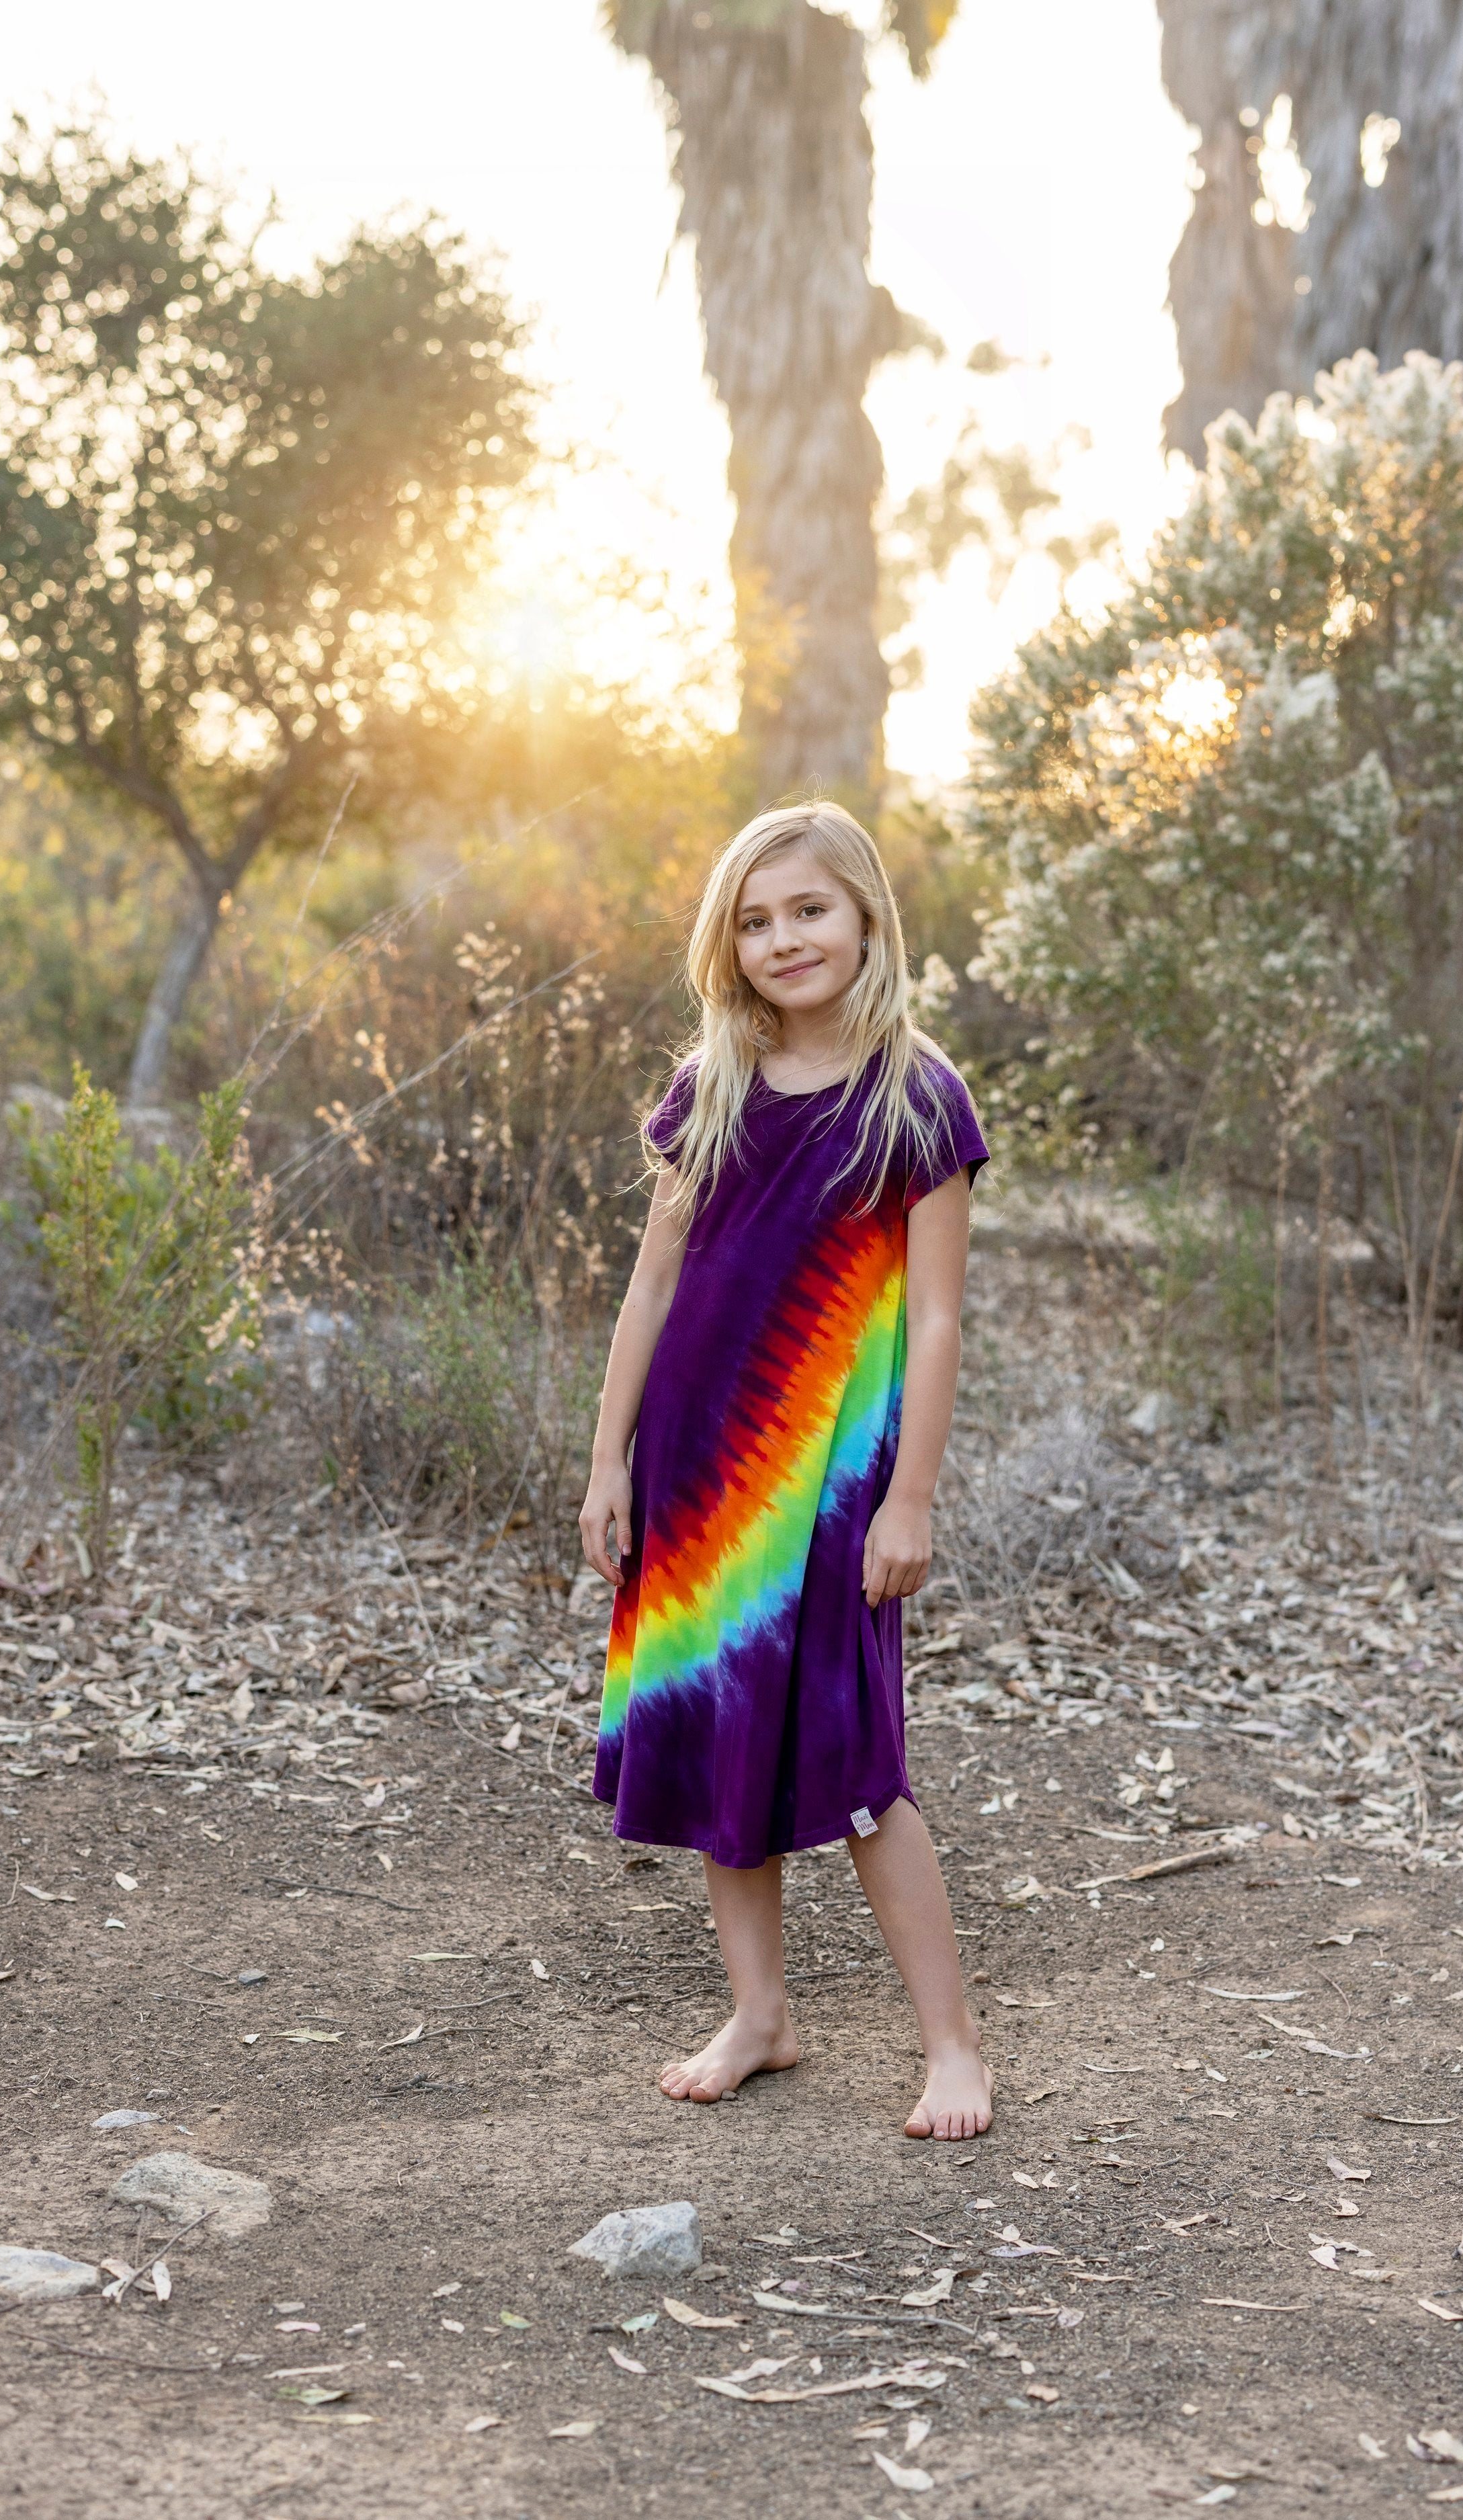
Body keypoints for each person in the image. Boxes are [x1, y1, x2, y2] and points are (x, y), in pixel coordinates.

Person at [578, 801, 993, 2141]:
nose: (780, 940)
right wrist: (608, 1463)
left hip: (827, 1489)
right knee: (715, 1737)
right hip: (697, 1474)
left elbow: (932, 1318)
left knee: (857, 1756)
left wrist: (911, 1495)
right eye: (752, 923)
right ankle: (759, 2013)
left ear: (865, 913)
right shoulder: (709, 1090)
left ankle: (950, 2045)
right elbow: (651, 1287)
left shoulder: (915, 1101)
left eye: (806, 910)